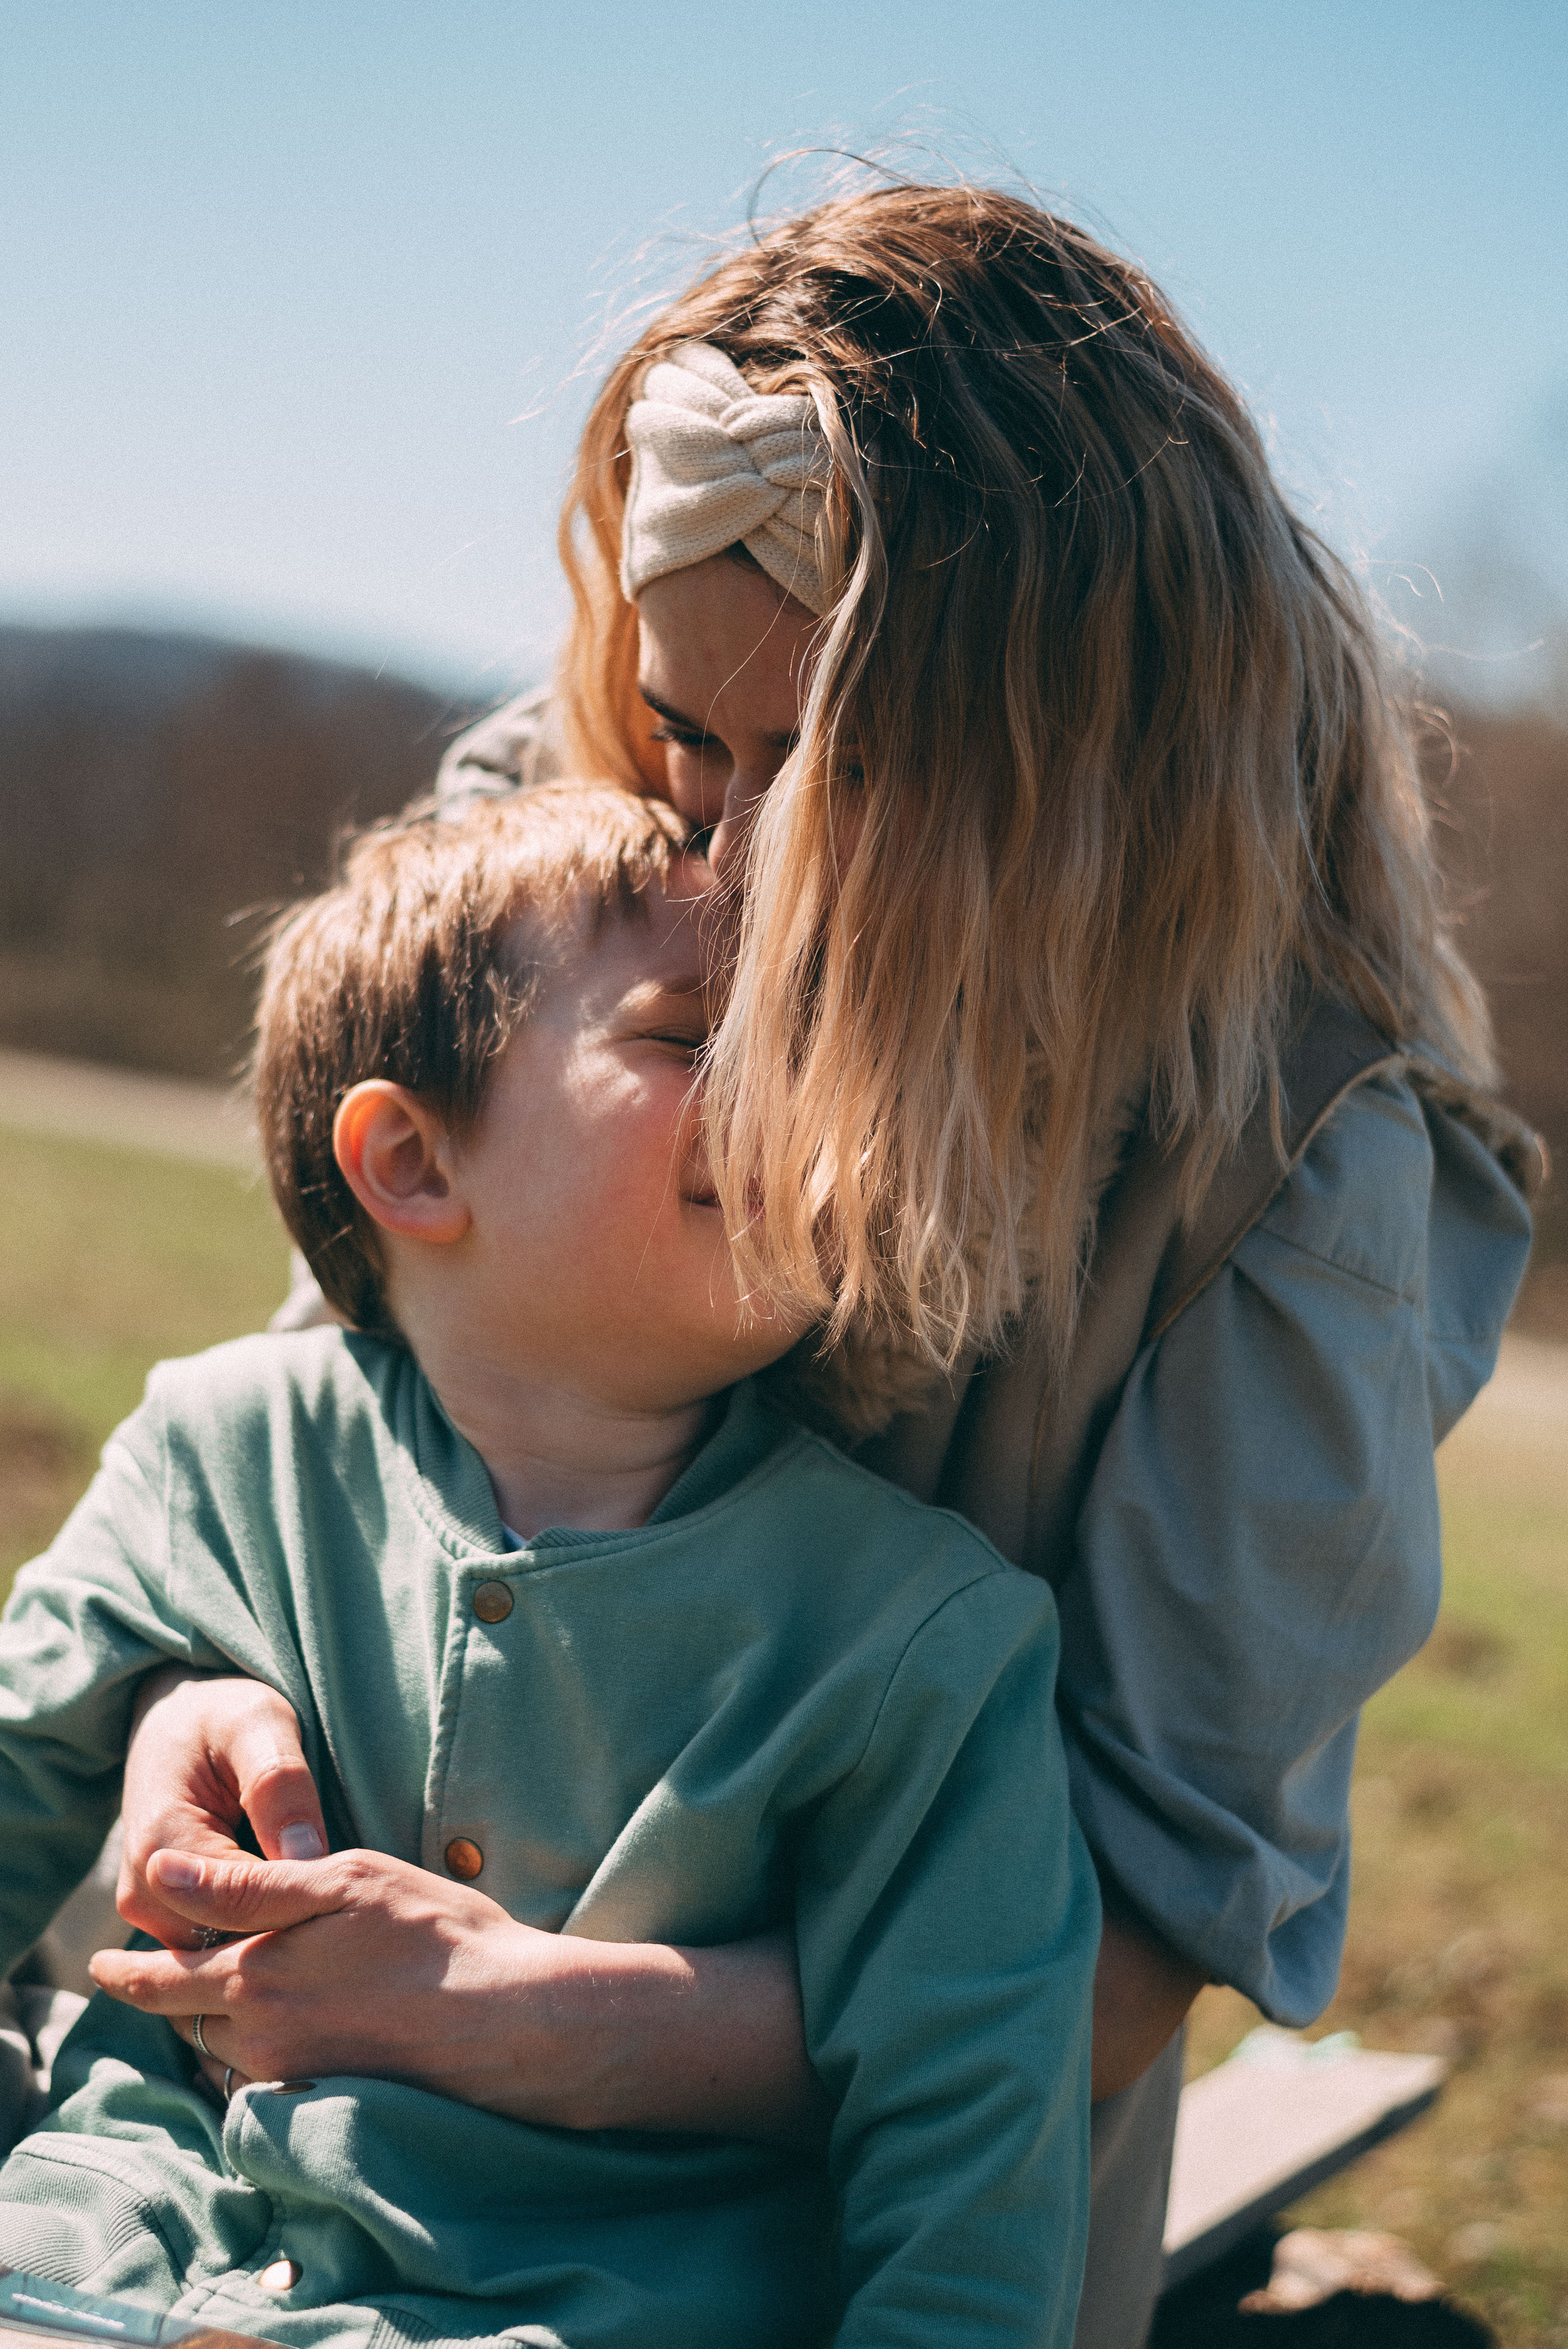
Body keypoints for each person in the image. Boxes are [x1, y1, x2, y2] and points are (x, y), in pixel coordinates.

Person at [97, 181, 1537, 2347]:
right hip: (314, 2173)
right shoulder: (586, 852)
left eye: (838, 767)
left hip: (860, 2257)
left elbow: (1110, 1971)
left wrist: (509, 2007)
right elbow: (334, 1451)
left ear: (1072, 770)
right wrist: (195, 1740)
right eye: (695, 739)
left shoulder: (1296, 1178)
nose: (735, 864)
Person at [0, 785, 1098, 2345]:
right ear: (411, 1162)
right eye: (692, 1035)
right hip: (101, 2246)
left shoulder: (921, 1635)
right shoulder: (221, 1450)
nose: (793, 1093)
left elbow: (975, 2158)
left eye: (809, 1043)